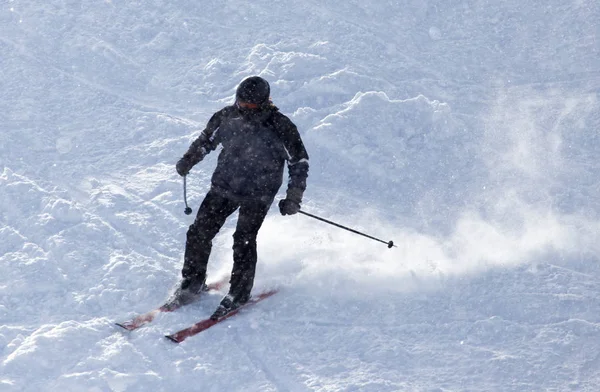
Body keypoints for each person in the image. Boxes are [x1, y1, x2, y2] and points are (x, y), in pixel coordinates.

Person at [171, 76, 309, 319]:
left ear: (265, 103)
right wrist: (188, 159)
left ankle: (239, 293)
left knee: (243, 239)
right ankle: (192, 282)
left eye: (250, 107)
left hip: (259, 192)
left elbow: (298, 162)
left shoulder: (281, 126)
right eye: (241, 104)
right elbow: (206, 141)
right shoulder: (226, 116)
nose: (244, 109)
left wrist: (293, 197)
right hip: (225, 184)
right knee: (199, 231)